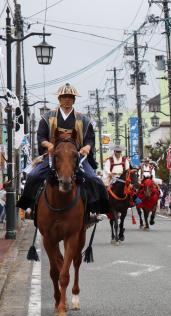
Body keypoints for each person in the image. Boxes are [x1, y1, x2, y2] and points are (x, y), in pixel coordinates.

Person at [17, 83, 109, 219]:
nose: (67, 99)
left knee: (94, 179)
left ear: (74, 100)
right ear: (59, 99)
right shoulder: (47, 117)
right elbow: (41, 136)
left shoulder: (83, 119)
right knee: (33, 176)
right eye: (64, 97)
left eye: (70, 97)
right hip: (53, 155)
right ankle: (29, 207)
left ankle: (95, 210)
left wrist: (87, 147)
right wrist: (48, 144)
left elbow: (90, 138)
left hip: (76, 156)